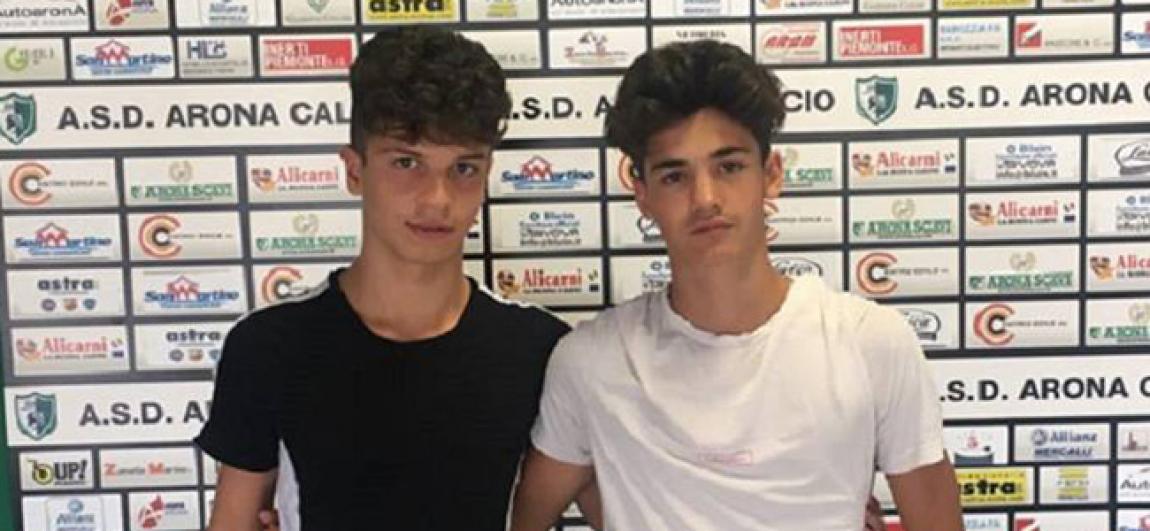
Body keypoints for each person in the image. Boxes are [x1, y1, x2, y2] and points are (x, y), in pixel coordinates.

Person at [510, 40, 964, 531]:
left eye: (728, 167)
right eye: (674, 176)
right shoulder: (592, 362)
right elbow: (523, 518)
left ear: (771, 175)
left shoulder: (870, 342)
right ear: (642, 194)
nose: (705, 198)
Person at [195, 26, 573, 530]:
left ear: (487, 174)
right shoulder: (270, 347)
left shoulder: (541, 349)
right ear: (355, 170)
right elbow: (233, 520)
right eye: (407, 162)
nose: (437, 198)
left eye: (463, 168)